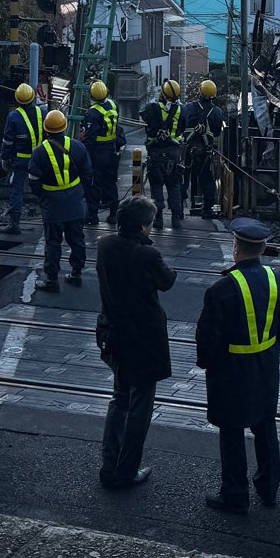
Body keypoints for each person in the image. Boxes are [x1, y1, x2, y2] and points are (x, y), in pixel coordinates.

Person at [196, 217, 280, 514]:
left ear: (236, 247)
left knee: (231, 430)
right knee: (265, 426)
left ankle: (235, 494)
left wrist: (209, 365)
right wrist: (266, 347)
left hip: (231, 371)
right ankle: (268, 489)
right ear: (263, 247)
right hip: (265, 366)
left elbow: (207, 340)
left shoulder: (221, 289)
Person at [95, 195, 177, 489]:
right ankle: (126, 470)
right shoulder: (146, 255)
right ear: (144, 226)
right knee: (140, 406)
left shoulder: (105, 246)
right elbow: (167, 281)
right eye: (151, 223)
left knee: (119, 399)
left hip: (114, 334)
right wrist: (148, 247)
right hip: (143, 339)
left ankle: (109, 465)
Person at [29, 109, 90, 292]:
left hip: (52, 204)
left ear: (46, 129)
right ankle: (76, 273)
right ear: (64, 128)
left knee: (53, 242)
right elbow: (88, 174)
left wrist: (42, 197)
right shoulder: (78, 147)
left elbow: (33, 181)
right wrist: (80, 193)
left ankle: (51, 279)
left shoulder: (39, 152)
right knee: (77, 239)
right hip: (75, 202)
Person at [141, 80, 187, 228]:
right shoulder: (182, 110)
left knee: (156, 187)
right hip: (174, 154)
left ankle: (158, 219)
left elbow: (144, 117)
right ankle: (176, 218)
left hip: (156, 153)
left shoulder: (152, 108)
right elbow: (184, 126)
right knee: (174, 186)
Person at [81, 79, 127, 224]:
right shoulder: (114, 105)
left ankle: (92, 216)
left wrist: (84, 157)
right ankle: (114, 214)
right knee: (111, 182)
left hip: (97, 153)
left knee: (94, 183)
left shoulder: (93, 113)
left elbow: (90, 138)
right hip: (112, 150)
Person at [0, 83, 42, 228]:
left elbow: (8, 141)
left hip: (21, 160)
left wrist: (5, 158)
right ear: (33, 97)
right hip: (40, 159)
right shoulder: (42, 112)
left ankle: (15, 223)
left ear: (17, 99)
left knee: (16, 189)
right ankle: (49, 218)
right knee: (44, 187)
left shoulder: (14, 116)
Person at [185, 79, 226, 220]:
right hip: (206, 152)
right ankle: (207, 210)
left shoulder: (189, 108)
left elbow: (182, 126)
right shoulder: (217, 112)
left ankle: (178, 210)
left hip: (187, 150)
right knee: (207, 180)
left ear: (199, 92)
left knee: (183, 179)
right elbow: (217, 132)